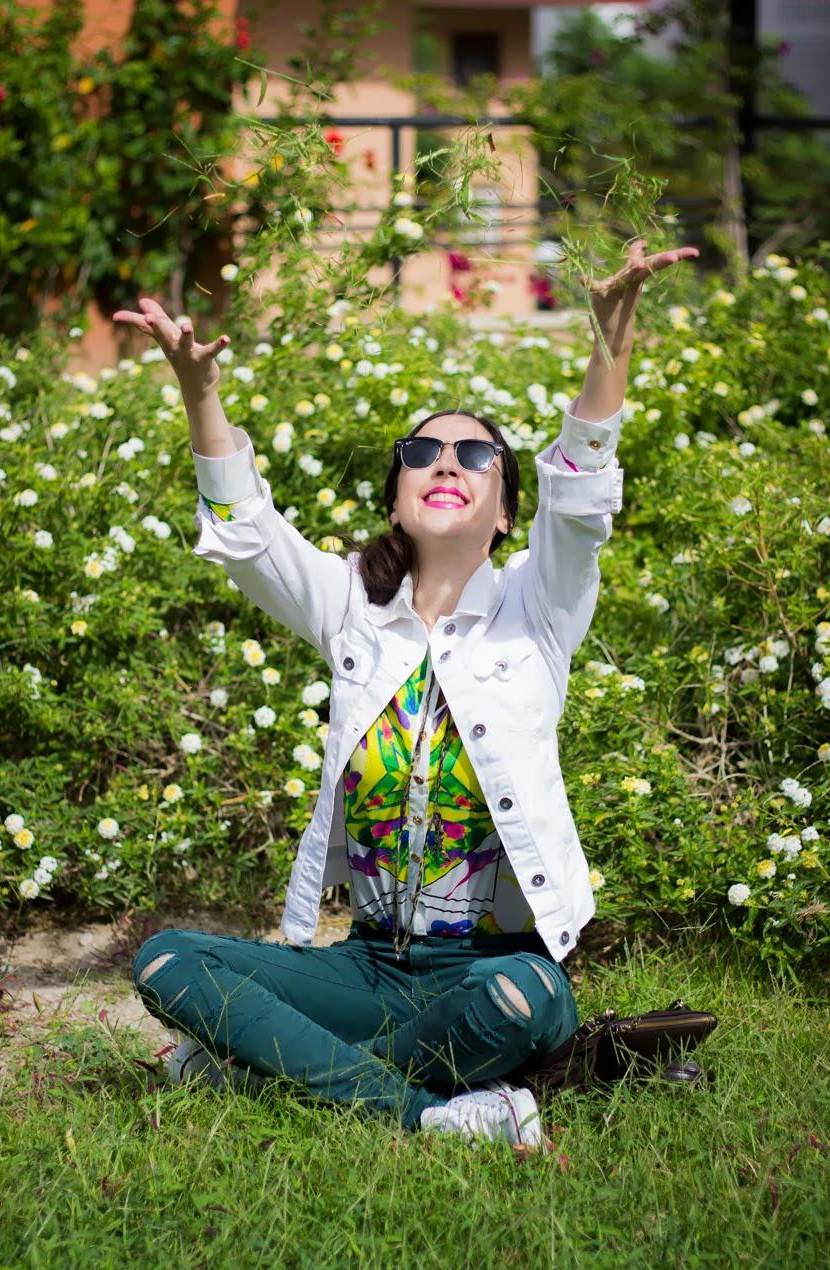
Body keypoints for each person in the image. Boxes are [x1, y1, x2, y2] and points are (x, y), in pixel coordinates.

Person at [115, 238, 698, 1151]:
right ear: (396, 496)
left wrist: (609, 346)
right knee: (167, 961)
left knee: (521, 1000)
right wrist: (200, 393)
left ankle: (266, 1063)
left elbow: (581, 499)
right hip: (367, 962)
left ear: (504, 508)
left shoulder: (537, 612)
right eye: (422, 450)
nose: (446, 460)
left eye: (474, 453)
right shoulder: (351, 607)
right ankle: (431, 1114)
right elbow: (244, 534)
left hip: (488, 967)